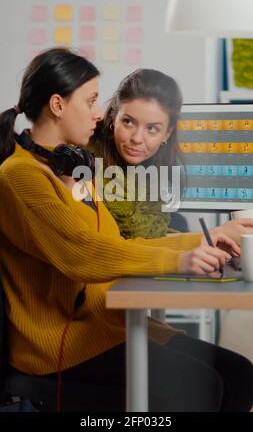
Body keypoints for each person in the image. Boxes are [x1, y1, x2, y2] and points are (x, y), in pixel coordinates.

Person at [0, 48, 252, 412]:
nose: (100, 113)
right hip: (63, 346)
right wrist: (180, 260)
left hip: (105, 325)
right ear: (57, 105)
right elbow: (84, 253)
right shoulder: (22, 176)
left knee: (240, 373)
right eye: (90, 101)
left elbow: (116, 243)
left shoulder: (69, 168)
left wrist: (208, 238)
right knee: (203, 387)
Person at [90, 69, 253, 244]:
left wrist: (213, 241)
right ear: (114, 117)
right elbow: (130, 240)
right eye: (128, 122)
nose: (137, 138)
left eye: (152, 129)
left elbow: (153, 235)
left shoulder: (155, 168)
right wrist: (211, 236)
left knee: (179, 223)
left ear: (167, 134)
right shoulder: (87, 159)